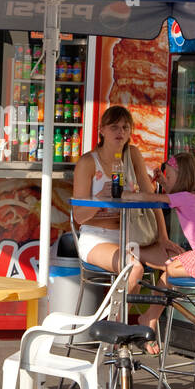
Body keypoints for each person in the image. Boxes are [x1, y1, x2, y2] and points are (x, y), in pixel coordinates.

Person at [121, 152, 195, 350]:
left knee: (172, 269)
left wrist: (127, 194)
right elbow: (168, 193)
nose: (167, 178)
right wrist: (162, 181)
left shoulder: (184, 197)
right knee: (168, 272)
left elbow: (148, 197)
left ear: (182, 177)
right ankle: (149, 318)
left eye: (170, 175)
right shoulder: (193, 196)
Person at [71, 106, 180, 294]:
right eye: (114, 127)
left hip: (132, 236)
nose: (120, 132)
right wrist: (100, 198)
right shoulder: (87, 163)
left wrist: (163, 238)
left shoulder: (132, 155)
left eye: (125, 127)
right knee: (134, 269)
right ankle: (113, 323)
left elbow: (151, 199)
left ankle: (150, 319)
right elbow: (79, 217)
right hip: (97, 237)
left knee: (181, 266)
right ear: (102, 130)